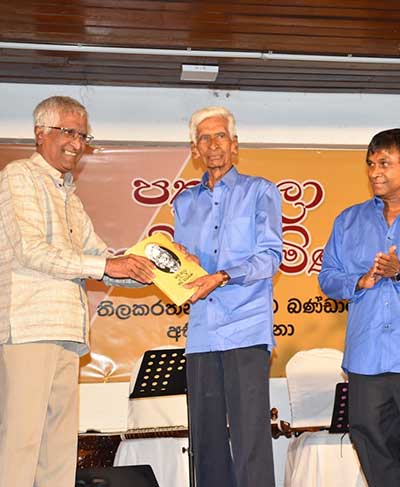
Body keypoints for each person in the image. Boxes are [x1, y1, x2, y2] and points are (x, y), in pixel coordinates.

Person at [0, 96, 155, 487]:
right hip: (28, 328)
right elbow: (32, 251)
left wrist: (149, 267)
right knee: (20, 444)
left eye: (83, 135)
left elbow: (100, 255)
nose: (76, 142)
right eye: (67, 131)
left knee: (59, 448)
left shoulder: (69, 195)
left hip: (68, 333)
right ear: (40, 134)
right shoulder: (19, 177)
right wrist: (107, 266)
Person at [173, 106, 282, 487]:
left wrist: (222, 276)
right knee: (205, 441)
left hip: (246, 330)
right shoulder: (184, 203)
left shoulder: (260, 191)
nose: (213, 144)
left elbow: (270, 257)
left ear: (234, 146)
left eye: (220, 136)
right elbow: (183, 268)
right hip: (202, 332)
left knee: (250, 437)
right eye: (204, 138)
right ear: (194, 150)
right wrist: (176, 265)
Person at [319, 128, 400, 487]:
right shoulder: (348, 221)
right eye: (370, 164)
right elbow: (328, 277)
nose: (374, 172)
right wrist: (358, 281)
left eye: (384, 163)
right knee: (369, 440)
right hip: (367, 356)